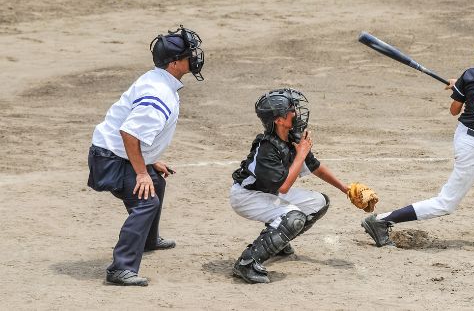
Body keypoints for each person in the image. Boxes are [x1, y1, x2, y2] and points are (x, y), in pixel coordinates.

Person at [362, 30, 474, 247]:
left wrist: (460, 89)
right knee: (446, 204)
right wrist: (464, 88)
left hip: (470, 138)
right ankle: (380, 221)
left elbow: (455, 110)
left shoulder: (470, 75)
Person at [87, 25, 205, 286]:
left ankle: (149, 240)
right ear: (175, 63)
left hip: (117, 153)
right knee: (146, 201)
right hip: (110, 158)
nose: (194, 58)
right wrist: (141, 171)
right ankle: (121, 269)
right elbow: (129, 133)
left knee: (157, 181)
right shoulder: (158, 93)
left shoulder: (160, 79)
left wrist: (150, 162)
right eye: (189, 54)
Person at [230, 88, 354, 284]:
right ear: (278, 120)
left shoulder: (292, 138)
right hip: (247, 197)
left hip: (269, 193)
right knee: (293, 218)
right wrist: (301, 154)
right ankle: (247, 262)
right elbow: (285, 187)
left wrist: (345, 188)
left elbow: (316, 168)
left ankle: (276, 244)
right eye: (291, 110)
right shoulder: (266, 149)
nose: (296, 113)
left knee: (318, 202)